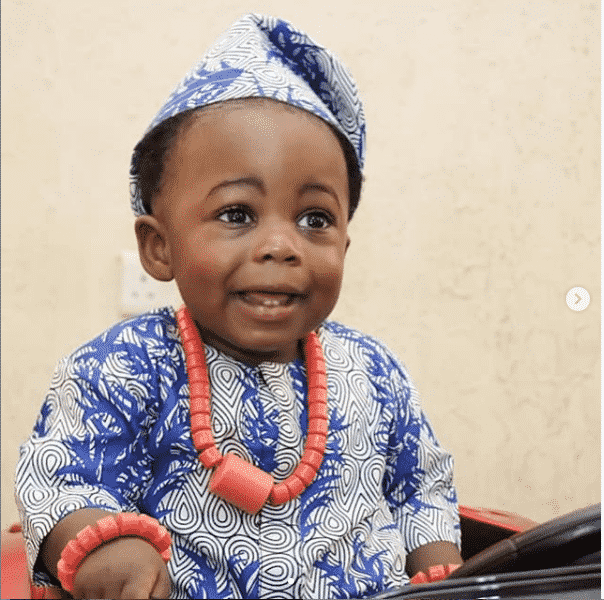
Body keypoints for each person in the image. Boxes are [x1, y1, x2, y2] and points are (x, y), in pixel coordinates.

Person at [15, 14, 462, 599]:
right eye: (237, 214)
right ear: (159, 247)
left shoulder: (374, 372)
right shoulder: (122, 366)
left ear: (345, 245)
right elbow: (61, 479)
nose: (281, 245)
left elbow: (420, 488)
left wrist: (443, 575)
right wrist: (107, 549)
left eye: (315, 219)